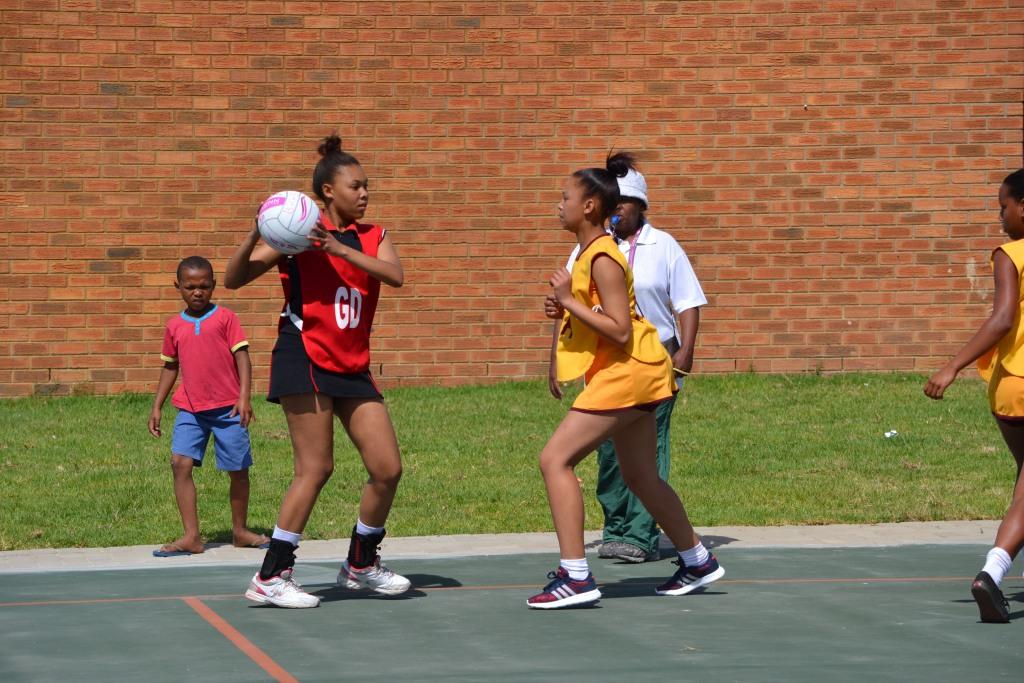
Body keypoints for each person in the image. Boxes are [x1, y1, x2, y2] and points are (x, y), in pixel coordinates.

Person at [528, 155, 724, 609]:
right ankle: (696, 559)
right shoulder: (589, 254)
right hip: (633, 371)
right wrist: (565, 311)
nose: (559, 205)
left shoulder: (602, 256)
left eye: (565, 198)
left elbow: (618, 328)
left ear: (591, 206)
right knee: (639, 475)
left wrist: (568, 302)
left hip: (629, 372)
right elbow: (599, 317)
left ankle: (575, 575)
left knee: (555, 460)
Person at [225, 135, 410, 609]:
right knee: (316, 467)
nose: (365, 193)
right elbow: (234, 278)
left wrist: (338, 248)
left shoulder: (372, 235)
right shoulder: (295, 237)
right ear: (328, 191)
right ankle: (272, 574)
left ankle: (361, 564)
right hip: (303, 353)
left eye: (367, 186)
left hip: (351, 363)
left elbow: (394, 275)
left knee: (387, 468)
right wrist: (256, 233)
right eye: (355, 186)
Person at [925, 168, 1024, 624]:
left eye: (1003, 206)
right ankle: (993, 570)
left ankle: (994, 571)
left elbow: (1002, 318)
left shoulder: (1011, 254)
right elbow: (1005, 319)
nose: (1000, 215)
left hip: (1013, 386)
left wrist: (953, 364)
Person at [148, 255, 268, 556]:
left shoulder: (226, 319)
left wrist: (244, 397)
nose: (197, 292)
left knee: (238, 470)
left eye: (204, 286)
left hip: (228, 409)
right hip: (190, 409)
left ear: (214, 285)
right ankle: (192, 537)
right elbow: (170, 367)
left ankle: (240, 531)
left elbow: (243, 358)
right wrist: (157, 405)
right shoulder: (174, 325)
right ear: (178, 287)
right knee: (180, 463)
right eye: (190, 287)